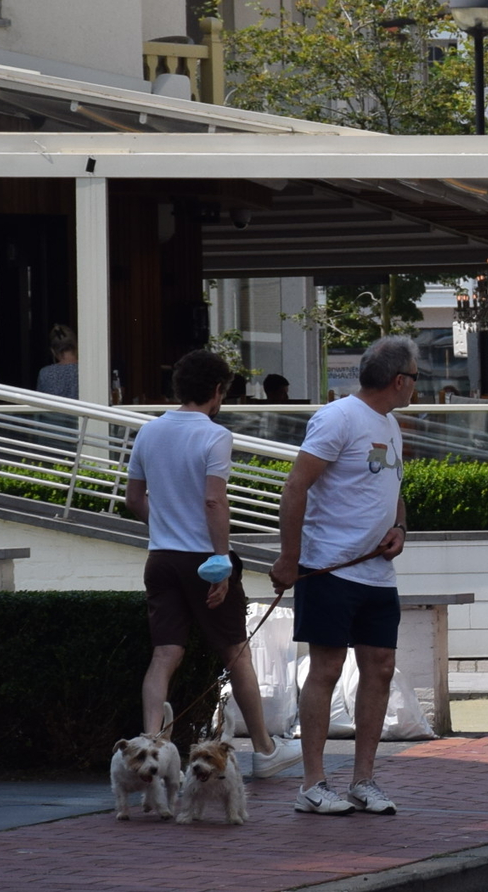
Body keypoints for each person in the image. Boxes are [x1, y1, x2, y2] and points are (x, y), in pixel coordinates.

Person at [128, 349, 296, 787]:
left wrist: (165, 524)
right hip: (204, 558)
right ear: (217, 391)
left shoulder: (148, 432)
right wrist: (220, 560)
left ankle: (150, 746)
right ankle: (264, 750)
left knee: (164, 655)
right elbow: (213, 500)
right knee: (236, 651)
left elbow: (132, 500)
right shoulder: (215, 435)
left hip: (160, 557)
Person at [274, 335, 417, 815]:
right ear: (399, 381)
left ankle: (364, 780)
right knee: (327, 668)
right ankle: (313, 783)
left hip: (378, 574)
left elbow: (392, 486)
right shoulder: (337, 418)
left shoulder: (391, 424)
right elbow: (295, 488)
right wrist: (289, 560)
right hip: (328, 569)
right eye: (416, 377)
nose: (417, 385)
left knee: (379, 667)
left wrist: (399, 526)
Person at [36, 325, 79, 399]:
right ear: (77, 346)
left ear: (53, 351)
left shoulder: (45, 374)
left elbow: (39, 404)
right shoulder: (88, 371)